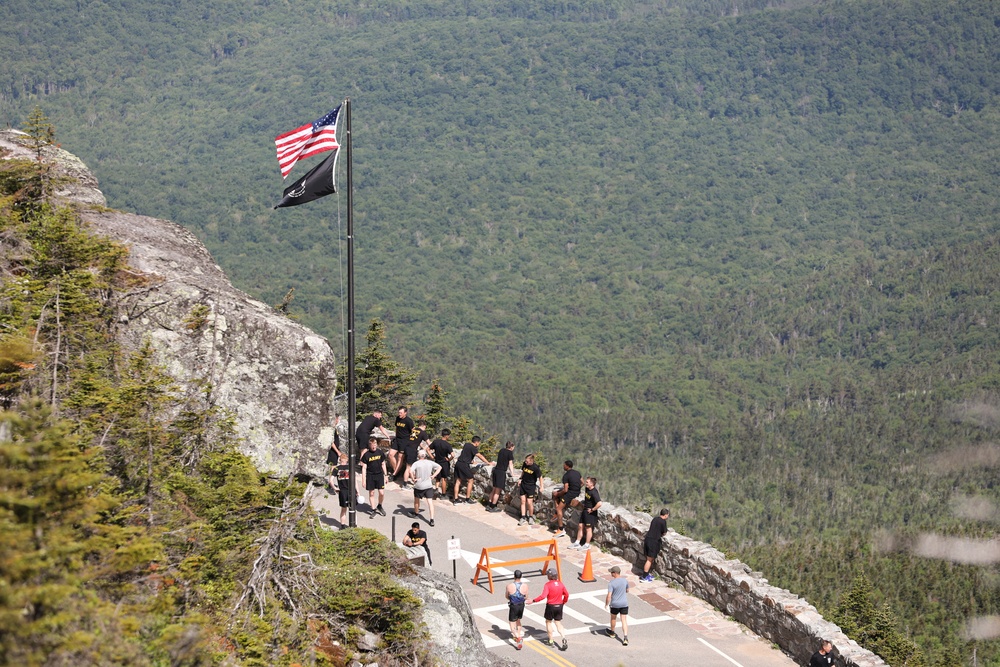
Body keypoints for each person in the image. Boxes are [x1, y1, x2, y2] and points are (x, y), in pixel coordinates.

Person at [531, 570, 569, 650]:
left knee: (548, 622)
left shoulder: (547, 585)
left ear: (549, 576)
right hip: (559, 605)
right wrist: (563, 602)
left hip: (551, 606)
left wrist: (534, 600)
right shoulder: (561, 584)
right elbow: (566, 594)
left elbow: (543, 596)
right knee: (558, 622)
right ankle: (563, 637)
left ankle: (551, 640)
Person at [407, 449, 442, 526]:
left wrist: (413, 479)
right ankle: (432, 519)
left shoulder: (416, 463)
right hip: (428, 485)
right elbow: (439, 467)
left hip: (419, 485)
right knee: (430, 502)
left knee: (416, 500)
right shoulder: (430, 463)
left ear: (418, 456)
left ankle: (416, 513)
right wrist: (433, 476)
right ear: (425, 455)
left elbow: (410, 471)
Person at [453, 435, 490, 504]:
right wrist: (488, 463)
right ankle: (467, 499)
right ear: (476, 442)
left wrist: (471, 461)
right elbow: (480, 456)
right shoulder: (473, 448)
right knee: (470, 480)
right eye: (479, 443)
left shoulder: (466, 445)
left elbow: (465, 454)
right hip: (464, 465)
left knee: (458, 481)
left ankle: (455, 499)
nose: (478, 444)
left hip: (458, 463)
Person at [551, 460, 582, 537]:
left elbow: (565, 490)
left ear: (567, 466)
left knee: (559, 507)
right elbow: (582, 482)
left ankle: (561, 529)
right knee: (558, 497)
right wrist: (576, 488)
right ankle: (556, 514)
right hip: (577, 492)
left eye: (564, 465)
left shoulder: (566, 476)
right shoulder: (577, 473)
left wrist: (558, 493)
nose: (563, 466)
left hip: (570, 494)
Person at [569, 477, 601, 550]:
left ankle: (587, 544)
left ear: (592, 484)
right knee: (580, 526)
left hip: (590, 513)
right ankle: (577, 543)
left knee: (588, 529)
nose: (585, 483)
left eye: (587, 482)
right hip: (584, 510)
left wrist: (592, 509)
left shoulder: (594, 492)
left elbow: (599, 503)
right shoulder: (587, 489)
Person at [359, 436, 388, 517]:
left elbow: (383, 464)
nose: (374, 446)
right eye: (372, 444)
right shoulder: (366, 455)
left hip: (379, 475)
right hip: (370, 476)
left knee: (381, 492)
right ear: (369, 445)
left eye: (375, 444)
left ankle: (379, 505)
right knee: (372, 493)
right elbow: (364, 468)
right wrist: (363, 480)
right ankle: (373, 509)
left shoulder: (380, 452)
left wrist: (386, 475)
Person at [641, 508, 670, 582]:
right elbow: (664, 532)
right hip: (653, 542)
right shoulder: (663, 522)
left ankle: (646, 574)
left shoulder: (655, 519)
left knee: (648, 558)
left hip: (648, 539)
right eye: (668, 515)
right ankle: (644, 577)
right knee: (649, 560)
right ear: (666, 515)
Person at [604, 565, 630, 646]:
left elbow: (609, 596)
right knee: (624, 620)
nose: (611, 574)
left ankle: (612, 632)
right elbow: (627, 590)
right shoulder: (625, 581)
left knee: (613, 618)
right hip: (624, 604)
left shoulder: (611, 583)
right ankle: (625, 637)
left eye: (612, 572)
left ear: (615, 573)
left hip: (615, 604)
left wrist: (606, 604)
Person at [487, 441, 516, 512]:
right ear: (511, 447)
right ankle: (493, 507)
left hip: (496, 470)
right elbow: (510, 464)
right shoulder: (510, 453)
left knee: (493, 489)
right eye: (513, 447)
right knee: (497, 491)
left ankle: (489, 505)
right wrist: (512, 473)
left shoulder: (501, 450)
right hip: (501, 472)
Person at [398, 419, 427, 487]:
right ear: (424, 426)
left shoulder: (413, 430)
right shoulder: (423, 433)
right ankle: (404, 484)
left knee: (411, 467)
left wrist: (422, 446)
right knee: (408, 467)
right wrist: (429, 449)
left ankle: (413, 480)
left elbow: (415, 440)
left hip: (407, 448)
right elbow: (429, 443)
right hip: (412, 450)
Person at [504, 569, 529, 650]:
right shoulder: (525, 586)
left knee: (511, 623)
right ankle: (518, 635)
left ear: (514, 576)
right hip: (521, 605)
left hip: (513, 606)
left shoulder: (509, 586)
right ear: (521, 576)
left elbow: (507, 596)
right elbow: (526, 597)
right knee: (518, 620)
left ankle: (518, 638)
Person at [389, 406, 413, 481]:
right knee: (390, 455)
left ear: (405, 413)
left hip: (405, 441)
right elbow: (397, 428)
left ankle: (394, 474)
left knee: (400, 457)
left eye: (401, 413)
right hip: (397, 439)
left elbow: (413, 431)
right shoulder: (398, 418)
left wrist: (412, 441)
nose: (399, 414)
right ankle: (396, 470)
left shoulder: (409, 421)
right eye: (399, 412)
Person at [517, 453, 542, 525]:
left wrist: (541, 486)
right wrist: (520, 478)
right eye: (525, 461)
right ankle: (523, 517)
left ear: (531, 461)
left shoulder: (535, 467)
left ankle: (531, 517)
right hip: (523, 485)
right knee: (522, 501)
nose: (525, 462)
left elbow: (540, 477)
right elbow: (523, 472)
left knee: (529, 502)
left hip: (531, 486)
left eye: (527, 461)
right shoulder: (524, 464)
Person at [429, 429, 454, 497]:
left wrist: (432, 457)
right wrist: (448, 459)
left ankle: (436, 489)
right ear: (446, 436)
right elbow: (453, 455)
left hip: (437, 461)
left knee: (438, 477)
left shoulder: (436, 442)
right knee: (444, 478)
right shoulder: (447, 445)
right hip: (444, 462)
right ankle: (443, 494)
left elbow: (427, 449)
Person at [326, 414, 345, 490]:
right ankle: (331, 483)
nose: (338, 420)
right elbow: (331, 442)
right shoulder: (332, 429)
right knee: (333, 467)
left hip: (335, 450)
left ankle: (331, 482)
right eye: (337, 419)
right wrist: (338, 452)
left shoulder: (335, 429)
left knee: (333, 466)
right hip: (333, 451)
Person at [335, 451, 351, 528]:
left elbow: (331, 480)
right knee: (352, 509)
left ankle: (342, 525)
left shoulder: (337, 468)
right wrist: (357, 491)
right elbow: (354, 481)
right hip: (350, 490)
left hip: (342, 490)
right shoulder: (349, 468)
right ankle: (353, 524)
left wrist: (335, 488)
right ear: (347, 460)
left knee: (343, 509)